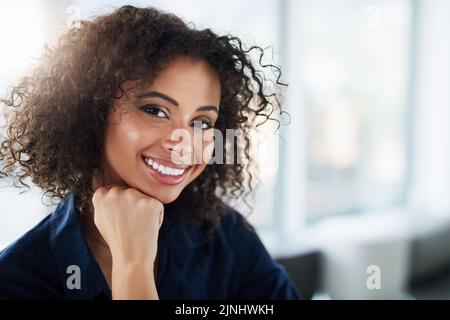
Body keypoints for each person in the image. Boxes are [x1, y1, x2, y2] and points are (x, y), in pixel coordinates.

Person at [0, 5, 300, 300]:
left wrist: (134, 265)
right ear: (92, 113)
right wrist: (134, 264)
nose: (182, 142)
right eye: (155, 110)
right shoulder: (16, 282)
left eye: (201, 122)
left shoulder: (225, 235)